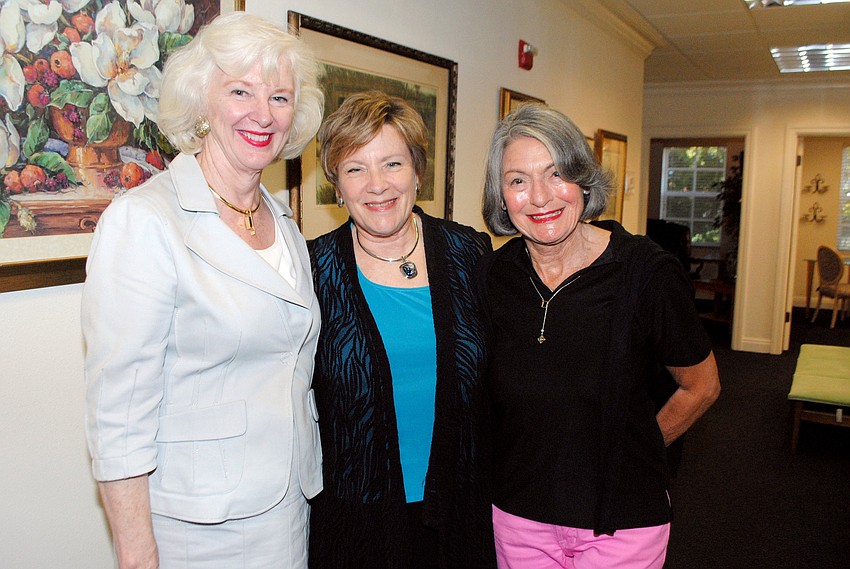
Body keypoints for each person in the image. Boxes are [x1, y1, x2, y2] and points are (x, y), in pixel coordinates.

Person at [81, 13, 324, 569]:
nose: (263, 114)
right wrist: (136, 550)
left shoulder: (284, 224)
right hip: (194, 527)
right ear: (201, 102)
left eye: (280, 97)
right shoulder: (144, 220)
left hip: (287, 506)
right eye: (241, 91)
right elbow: (118, 412)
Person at [476, 103, 721, 569]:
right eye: (518, 181)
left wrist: (633, 450)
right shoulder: (492, 278)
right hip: (520, 519)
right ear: (501, 196)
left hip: (622, 521)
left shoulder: (646, 273)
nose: (541, 197)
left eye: (556, 173)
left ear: (583, 180)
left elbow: (702, 385)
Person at [308, 91, 496, 569]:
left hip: (460, 513)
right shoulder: (311, 270)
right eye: (355, 168)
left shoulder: (469, 253)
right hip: (357, 524)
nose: (377, 185)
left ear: (417, 170)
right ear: (336, 185)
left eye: (392, 163)